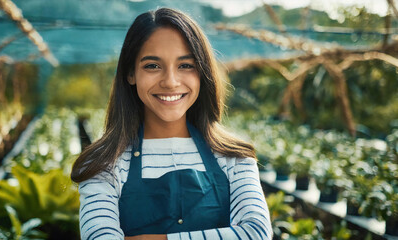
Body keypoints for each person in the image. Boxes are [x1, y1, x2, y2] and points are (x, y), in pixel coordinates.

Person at [71, 7, 272, 240]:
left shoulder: (235, 158)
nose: (170, 81)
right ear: (131, 74)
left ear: (202, 73)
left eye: (185, 65)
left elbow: (256, 234)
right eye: (152, 66)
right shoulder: (104, 164)